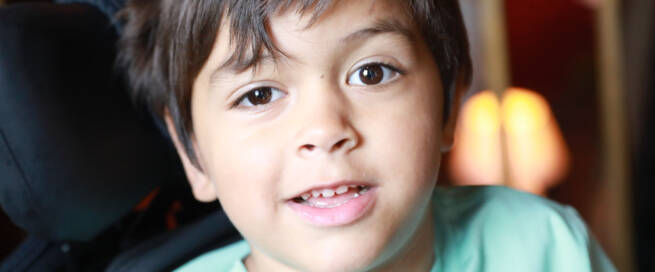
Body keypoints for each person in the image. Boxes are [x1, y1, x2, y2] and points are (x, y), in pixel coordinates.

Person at [117, 0, 615, 271]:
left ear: (449, 104)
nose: (325, 131)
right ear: (193, 152)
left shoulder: (544, 245)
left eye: (372, 73)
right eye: (259, 96)